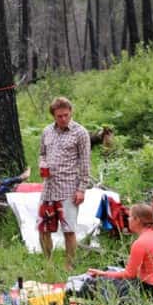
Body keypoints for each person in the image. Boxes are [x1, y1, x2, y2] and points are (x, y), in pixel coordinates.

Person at [38, 96, 92, 269]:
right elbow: (42, 153)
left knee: (68, 229)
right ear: (53, 115)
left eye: (66, 115)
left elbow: (85, 162)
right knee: (43, 227)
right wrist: (42, 163)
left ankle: (69, 265)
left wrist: (82, 189)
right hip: (48, 188)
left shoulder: (80, 133)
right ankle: (48, 262)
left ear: (71, 113)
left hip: (68, 187)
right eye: (59, 116)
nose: (63, 119)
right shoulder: (47, 131)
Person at [86, 203, 153, 300]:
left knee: (102, 282)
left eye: (130, 217)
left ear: (137, 220)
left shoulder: (140, 242)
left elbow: (129, 275)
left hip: (151, 292)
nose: (128, 219)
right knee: (114, 271)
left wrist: (102, 274)